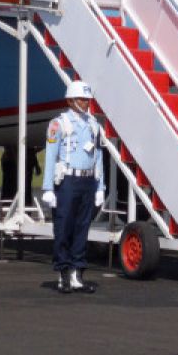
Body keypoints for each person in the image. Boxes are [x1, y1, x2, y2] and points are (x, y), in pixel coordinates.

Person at [42, 81, 105, 294]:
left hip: (87, 181)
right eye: (81, 100)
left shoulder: (93, 125)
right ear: (70, 101)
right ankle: (62, 274)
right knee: (64, 227)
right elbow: (50, 156)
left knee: (82, 228)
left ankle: (77, 274)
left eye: (87, 100)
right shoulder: (58, 124)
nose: (86, 104)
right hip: (67, 181)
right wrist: (48, 188)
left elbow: (98, 158)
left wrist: (100, 187)